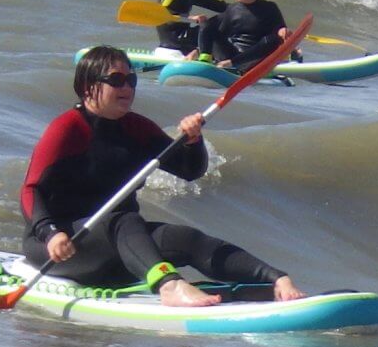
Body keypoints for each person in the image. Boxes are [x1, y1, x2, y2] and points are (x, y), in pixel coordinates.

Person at [20, 45, 304, 307]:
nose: (127, 88)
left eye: (131, 80)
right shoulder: (67, 129)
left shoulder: (137, 129)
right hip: (65, 248)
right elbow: (31, 190)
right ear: (87, 86)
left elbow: (189, 171)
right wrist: (50, 233)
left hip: (123, 245)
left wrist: (193, 141)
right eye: (116, 80)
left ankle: (273, 280)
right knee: (123, 218)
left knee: (185, 238)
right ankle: (168, 286)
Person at [197, 0, 296, 72]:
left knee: (272, 40)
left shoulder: (270, 8)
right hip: (230, 56)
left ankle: (234, 64)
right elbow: (214, 33)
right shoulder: (232, 9)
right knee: (206, 24)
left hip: (255, 59)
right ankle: (204, 63)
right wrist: (199, 50)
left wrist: (282, 31)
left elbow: (282, 33)